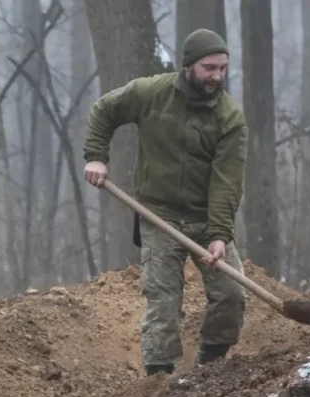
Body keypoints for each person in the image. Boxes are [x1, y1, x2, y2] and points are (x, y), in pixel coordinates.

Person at [83, 28, 247, 376]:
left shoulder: (229, 118)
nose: (217, 76)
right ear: (188, 66)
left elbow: (227, 182)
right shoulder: (151, 93)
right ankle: (159, 380)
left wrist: (219, 234)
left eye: (222, 68)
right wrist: (97, 156)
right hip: (159, 215)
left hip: (206, 217)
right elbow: (104, 110)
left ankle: (211, 366)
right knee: (163, 299)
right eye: (209, 68)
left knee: (231, 294)